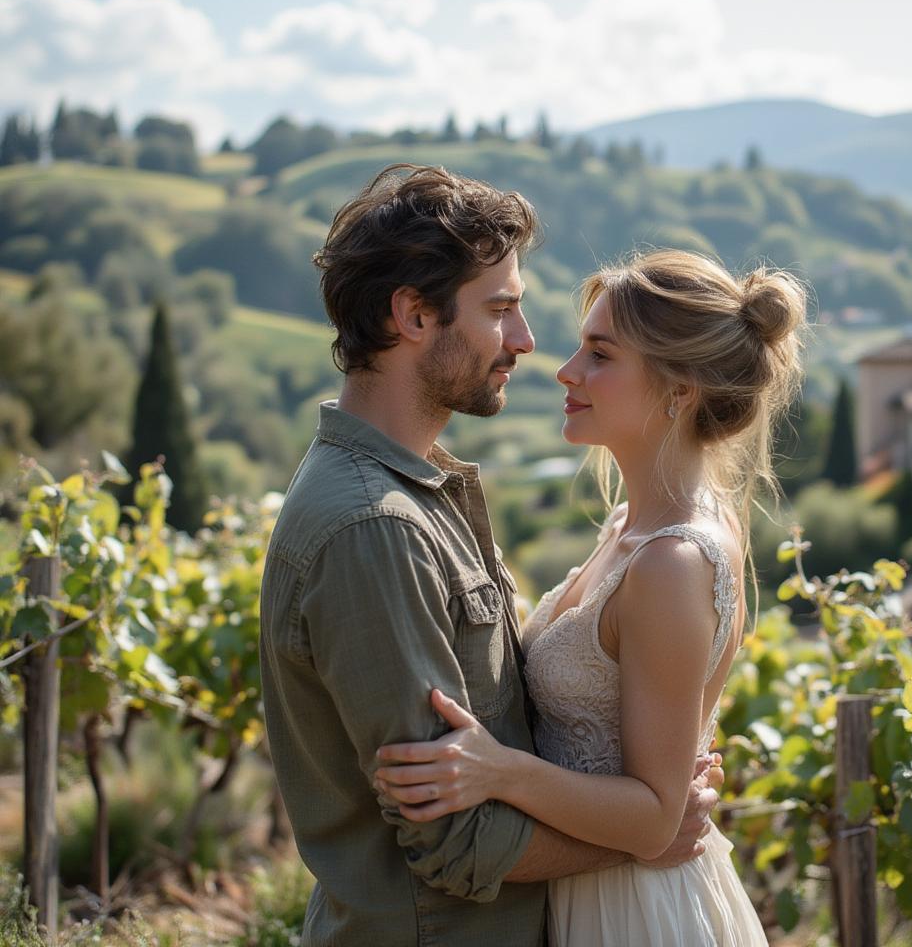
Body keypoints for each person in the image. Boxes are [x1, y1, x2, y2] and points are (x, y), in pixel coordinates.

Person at [258, 165, 723, 947]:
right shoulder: (379, 530)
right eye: (501, 308)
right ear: (412, 315)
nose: (527, 341)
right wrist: (645, 837)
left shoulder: (421, 497)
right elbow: (454, 840)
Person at [375, 248, 806, 945]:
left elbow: (655, 816)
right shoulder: (639, 527)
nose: (567, 372)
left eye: (600, 355)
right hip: (600, 897)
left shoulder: (671, 560)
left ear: (680, 388)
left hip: (637, 916)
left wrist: (499, 771)